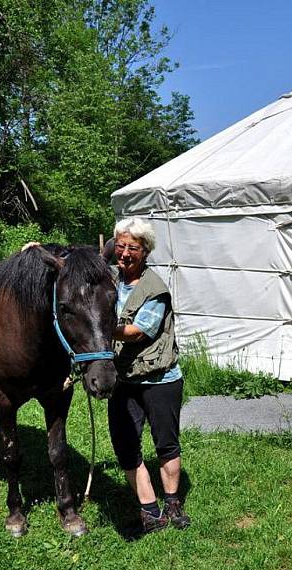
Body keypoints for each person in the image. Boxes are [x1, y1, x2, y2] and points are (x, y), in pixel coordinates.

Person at [108, 217, 190, 534]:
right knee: (125, 445)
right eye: (121, 246)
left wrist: (99, 327)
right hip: (123, 379)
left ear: (145, 251)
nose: (125, 253)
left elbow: (139, 332)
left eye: (133, 248)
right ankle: (150, 510)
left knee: (166, 444)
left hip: (160, 379)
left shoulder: (155, 288)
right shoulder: (109, 280)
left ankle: (172, 503)